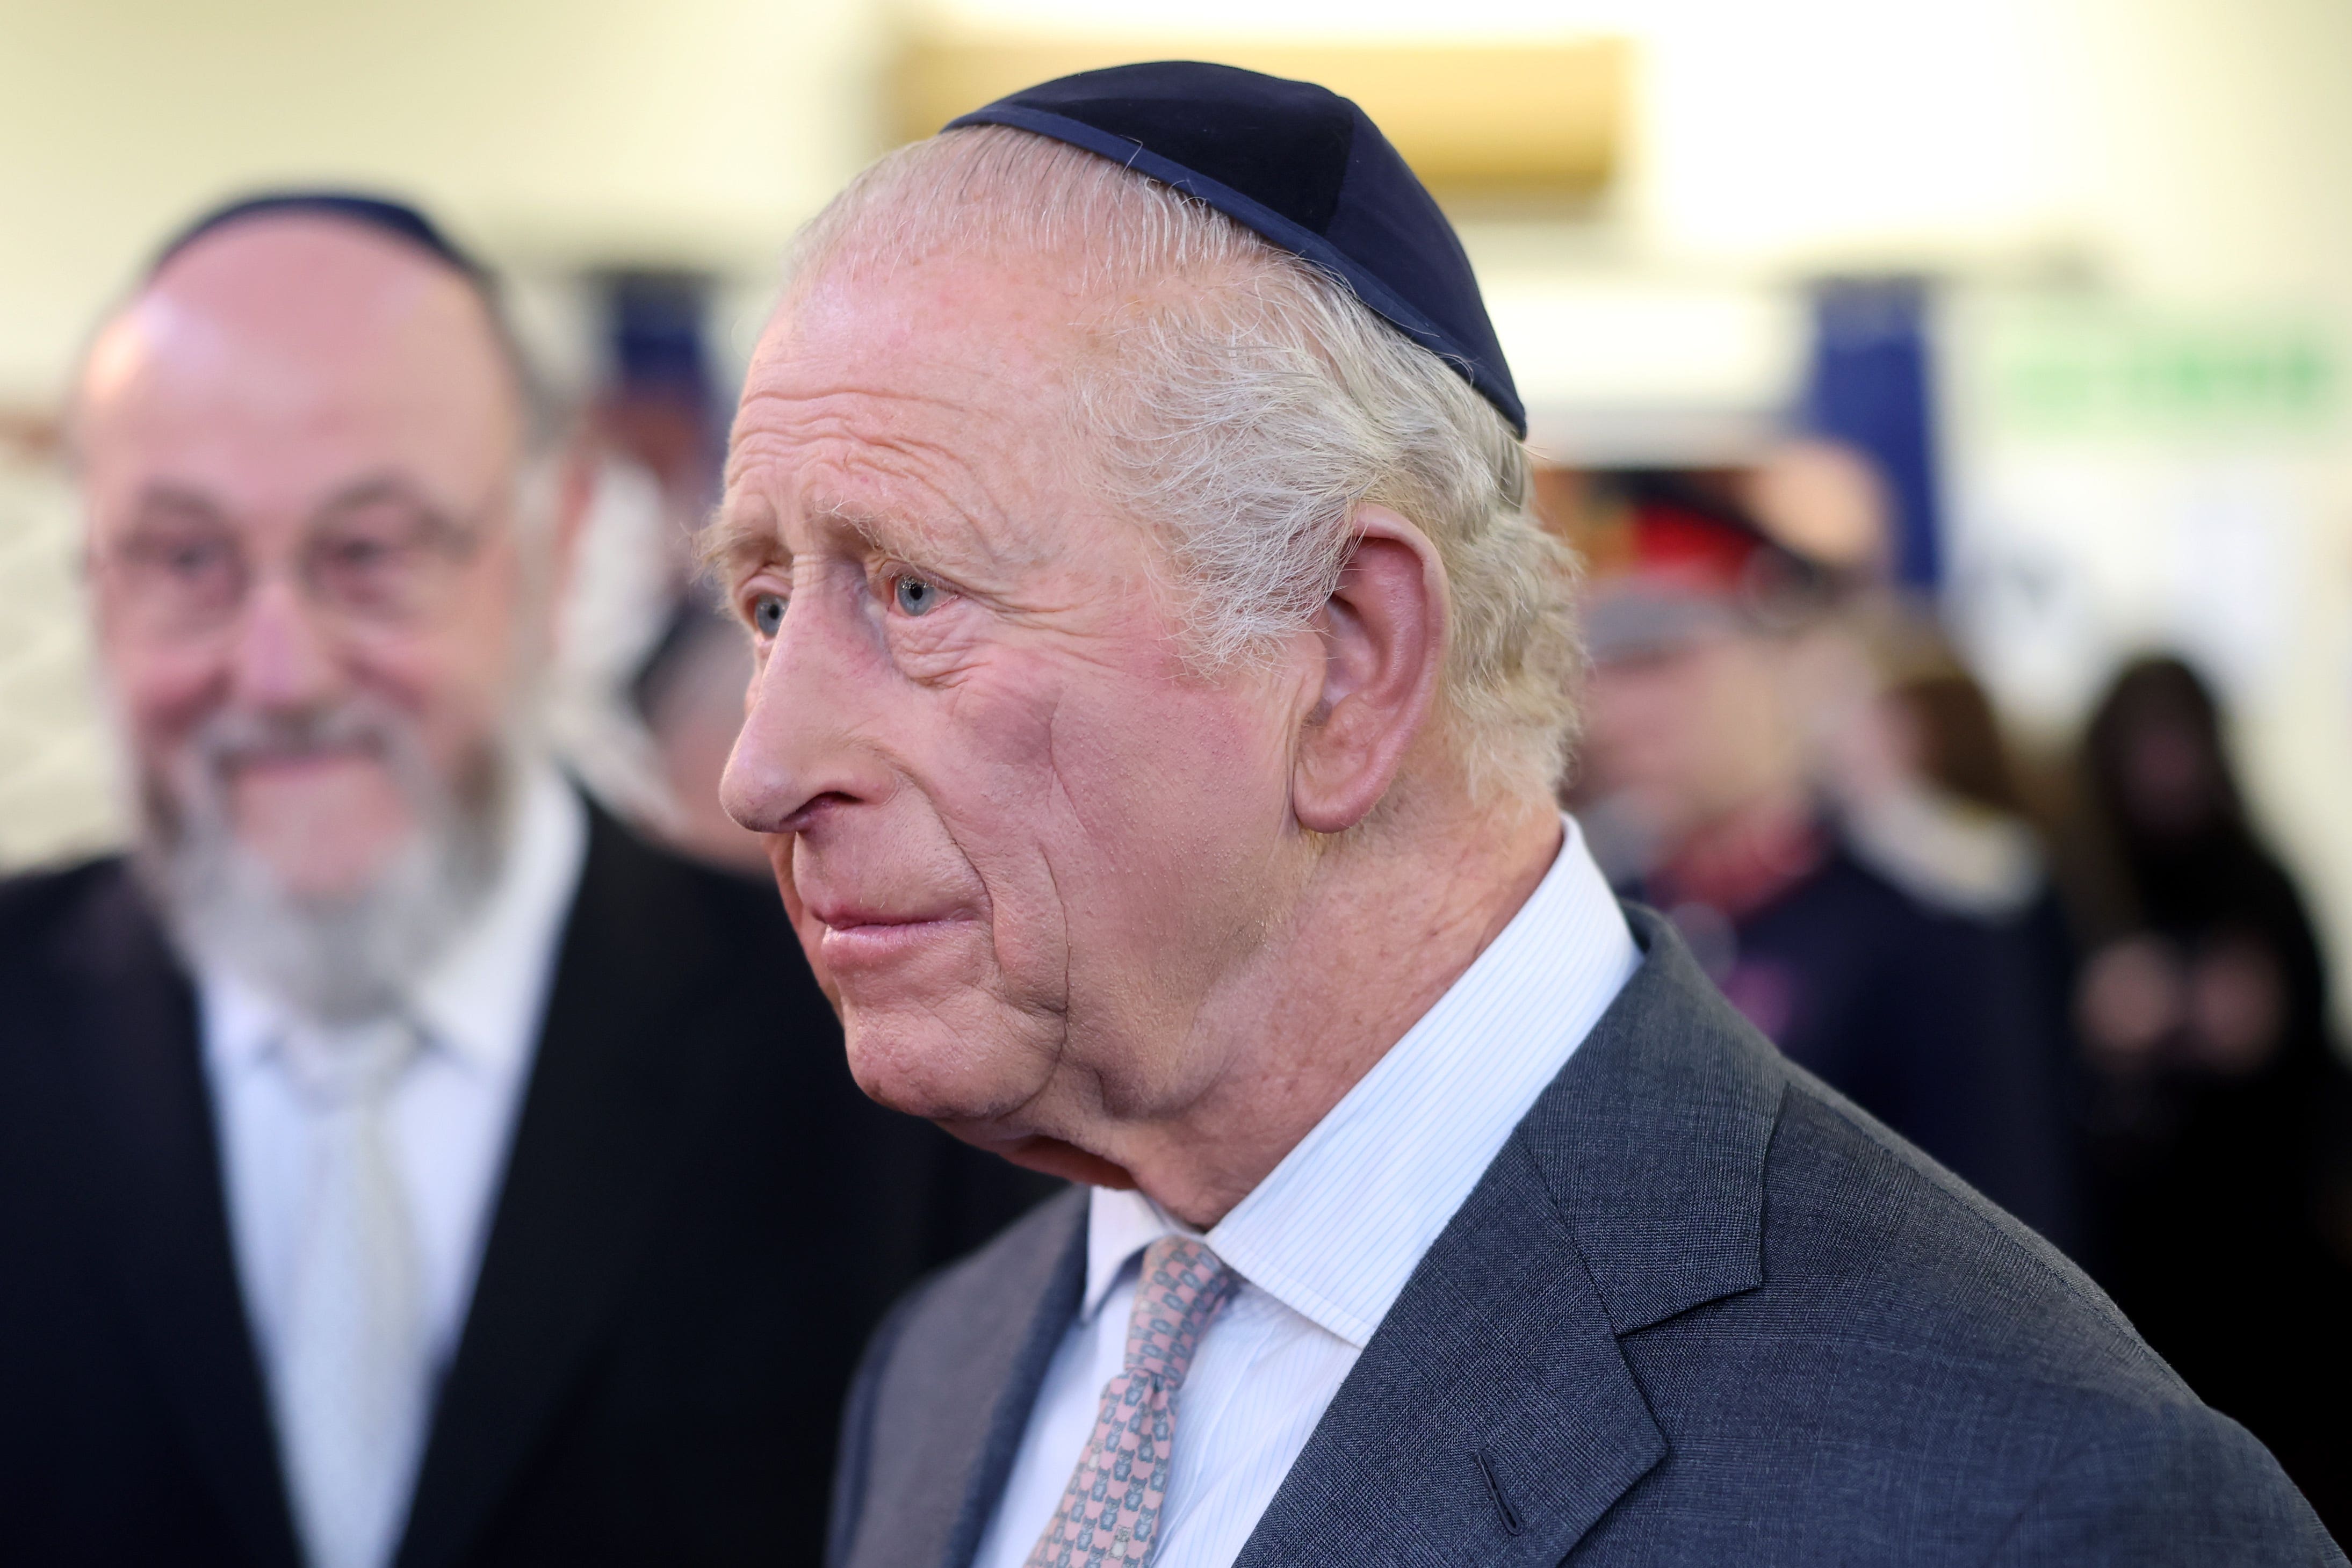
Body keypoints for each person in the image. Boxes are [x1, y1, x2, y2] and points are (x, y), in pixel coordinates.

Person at [705, 62, 2335, 1568]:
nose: (760, 770)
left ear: (1347, 656)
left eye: (916, 591)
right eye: (768, 605)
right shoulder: (949, 1366)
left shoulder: (2031, 1496)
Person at [0, 193, 1052, 1568]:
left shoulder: (893, 1070)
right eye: (185, 561)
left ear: (556, 544)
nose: (278, 672)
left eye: (369, 553)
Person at [1571, 475, 2078, 1245]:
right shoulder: (1595, 910)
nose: (1612, 713)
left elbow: (2010, 1242)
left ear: (1785, 662)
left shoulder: (1928, 914)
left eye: (1659, 659)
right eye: (1598, 667)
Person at [2064, 654, 2352, 1535]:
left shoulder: (2257, 879)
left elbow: (2275, 1027)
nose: (2163, 770)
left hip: (2260, 1239)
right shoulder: (2083, 880)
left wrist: (2171, 1005)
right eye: (2142, 746)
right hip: (2129, 1244)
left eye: (2176, 743)